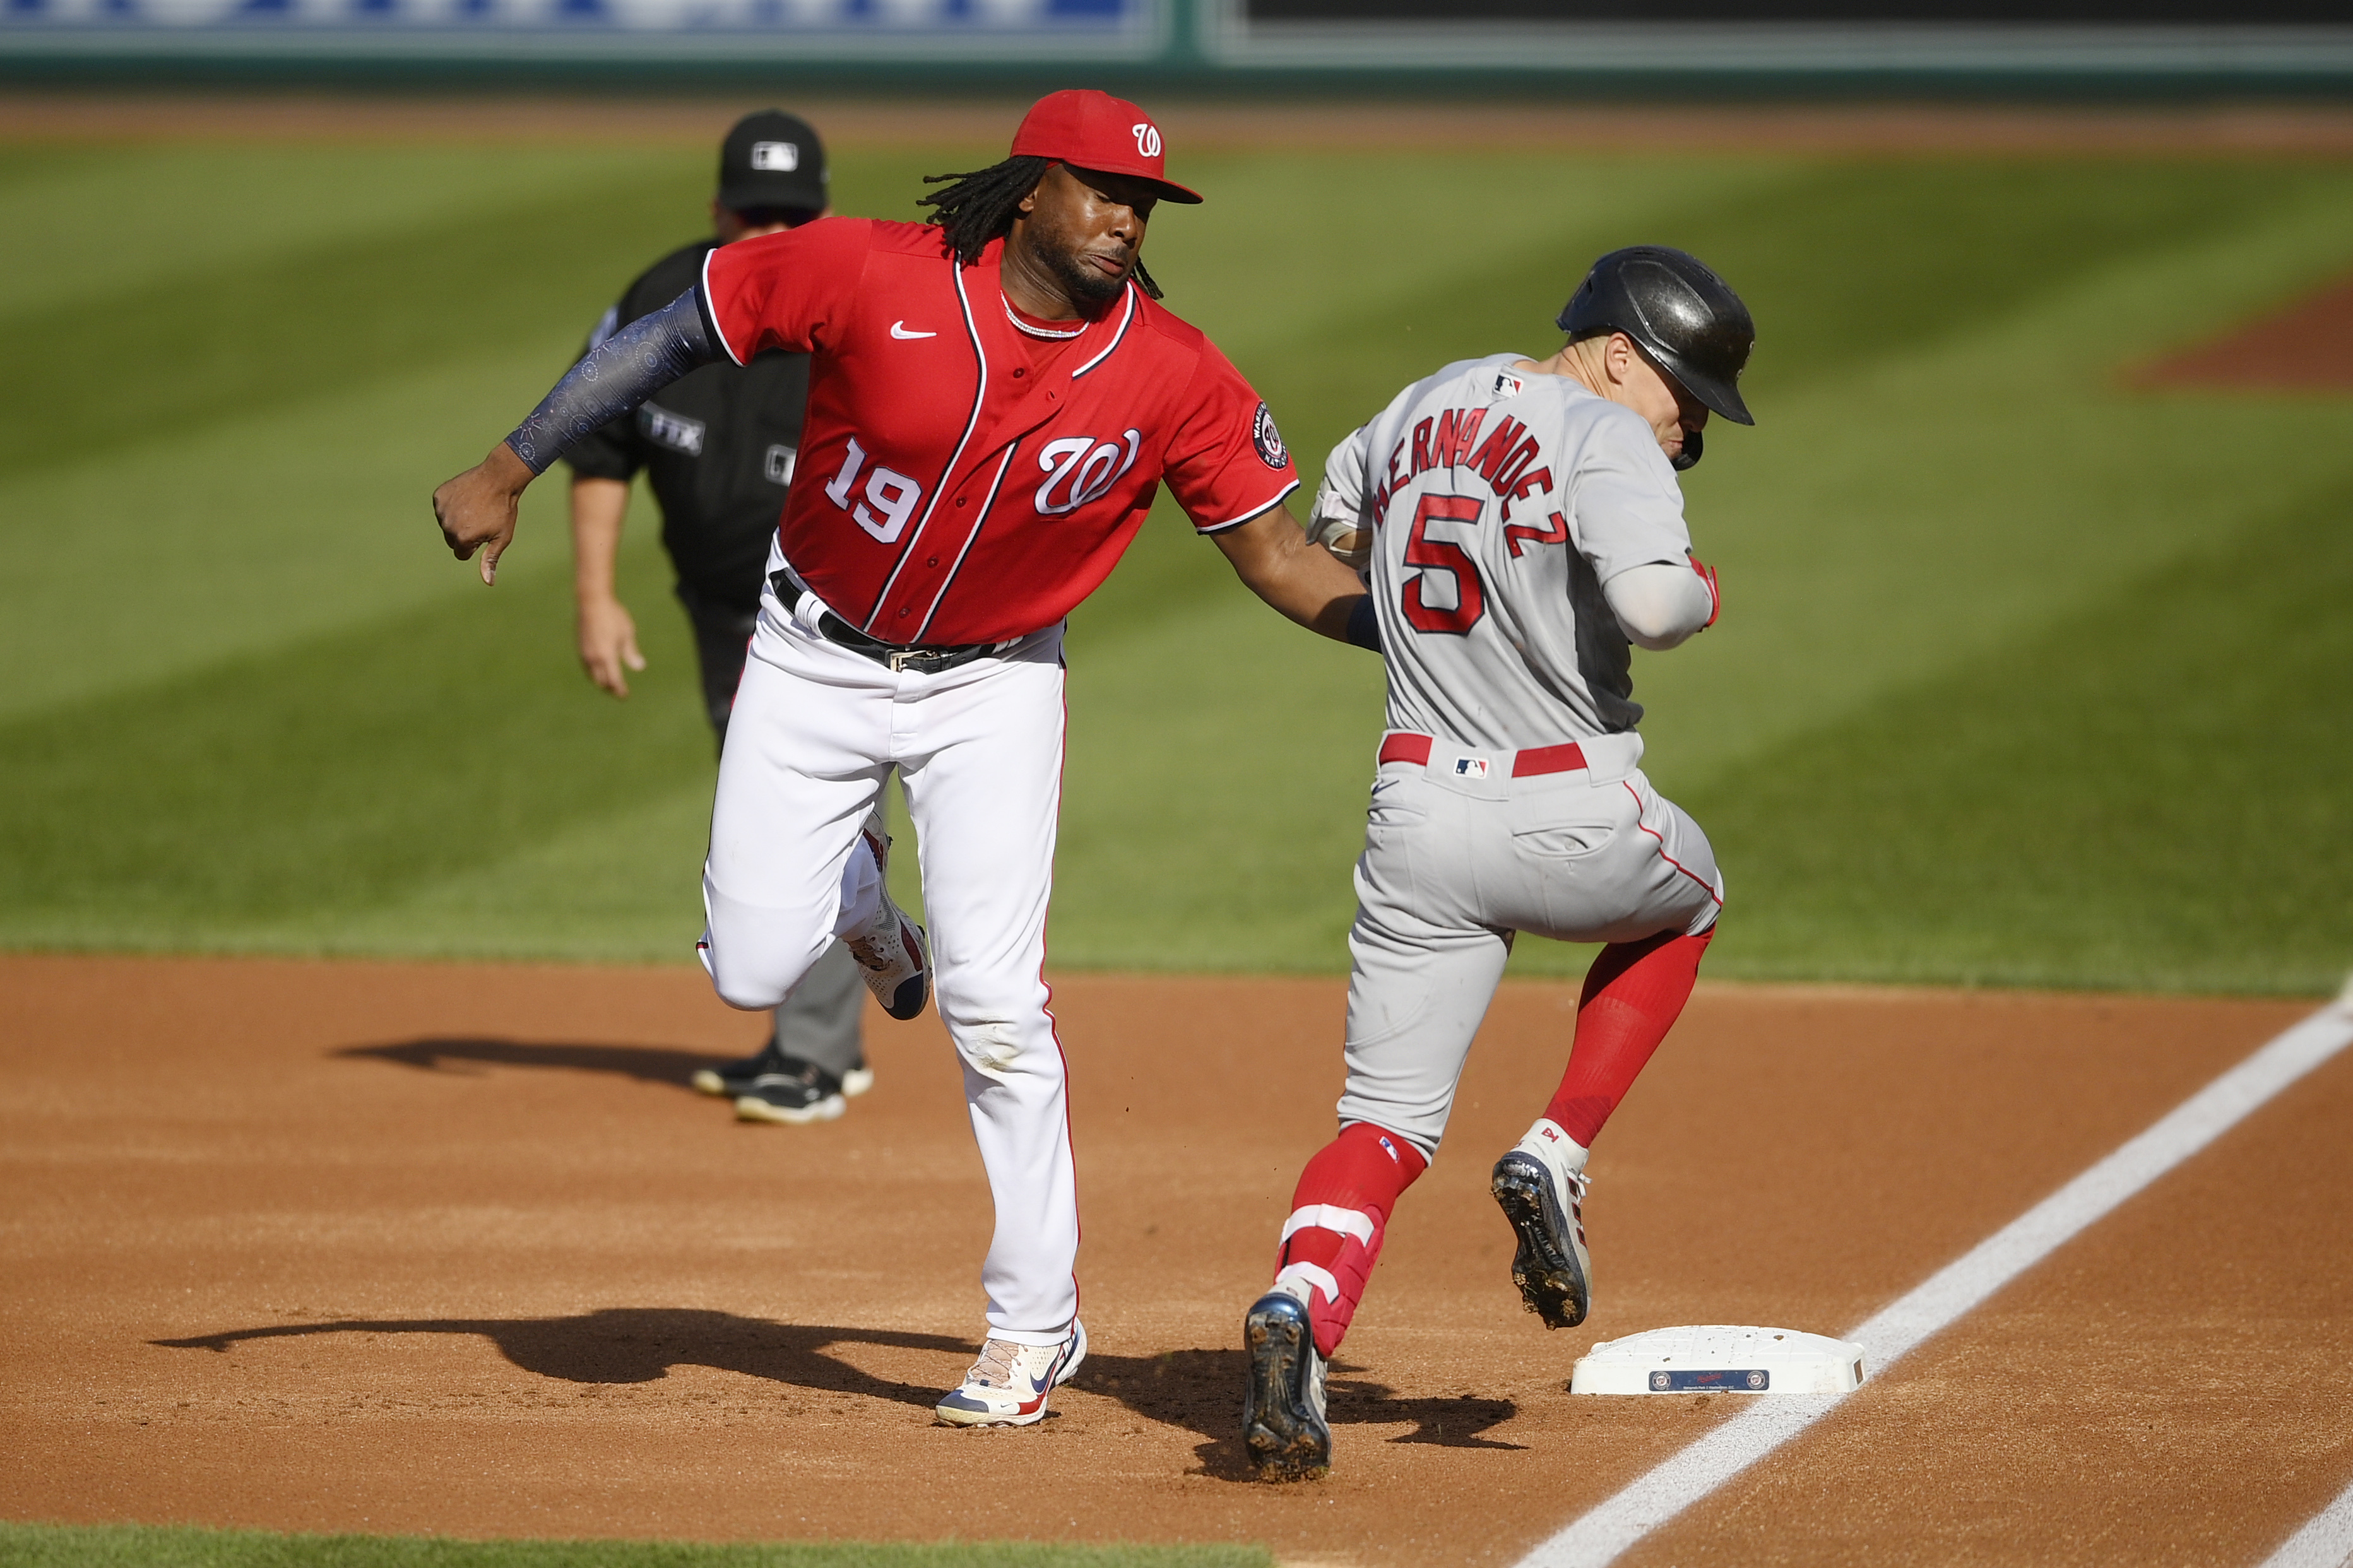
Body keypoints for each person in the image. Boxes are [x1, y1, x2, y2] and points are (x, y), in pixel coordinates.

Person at [431, 88, 1375, 1430]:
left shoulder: (1174, 370)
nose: (1126, 218)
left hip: (994, 691)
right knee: (753, 967)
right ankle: (863, 900)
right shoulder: (870, 269)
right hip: (808, 656)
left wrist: (1417, 634)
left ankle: (1032, 1325)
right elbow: (672, 329)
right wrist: (509, 462)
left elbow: (1277, 554)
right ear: (1028, 188)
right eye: (1102, 189)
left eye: (1145, 201)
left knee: (997, 1003)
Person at [1239, 247, 1757, 1480]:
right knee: (1690, 901)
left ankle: (1300, 1311)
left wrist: (1447, 617)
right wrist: (1699, 588)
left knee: (1381, 1122)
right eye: (1683, 393)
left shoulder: (1420, 402)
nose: (1687, 428)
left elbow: (1333, 524)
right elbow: (1651, 606)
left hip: (1413, 816)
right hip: (1569, 810)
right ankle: (1556, 1153)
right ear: (1618, 351)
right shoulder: (1605, 434)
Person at [564, 110, 879, 1128]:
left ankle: (817, 1056)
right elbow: (598, 446)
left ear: (821, 214)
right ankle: (830, 1035)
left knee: (809, 816)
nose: (768, 234)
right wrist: (595, 595)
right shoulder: (663, 301)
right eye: (754, 214)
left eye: (789, 217)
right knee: (792, 818)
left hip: (836, 621)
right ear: (717, 210)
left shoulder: (864, 302)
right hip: (715, 610)